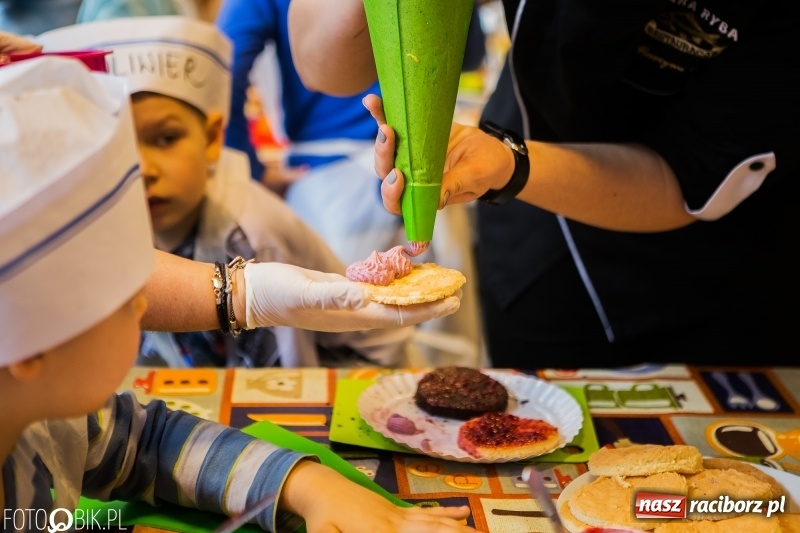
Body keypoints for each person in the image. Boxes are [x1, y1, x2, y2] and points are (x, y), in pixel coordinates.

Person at [0, 55, 478, 533]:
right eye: (126, 296)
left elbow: (149, 443)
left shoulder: (52, 420)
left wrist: (310, 486)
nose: (146, 304)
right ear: (33, 343)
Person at [287, 0, 799, 365]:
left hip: (720, 271)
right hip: (538, 239)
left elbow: (688, 173)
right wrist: (504, 165)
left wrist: (514, 165)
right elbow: (323, 65)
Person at [39, 16, 415, 368]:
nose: (144, 170)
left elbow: (284, 375)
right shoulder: (112, 222)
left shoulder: (252, 236)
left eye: (166, 139)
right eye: (115, 147)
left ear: (212, 138)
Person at [218, 0, 487, 367]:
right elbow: (467, 53)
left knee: (352, 349)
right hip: (436, 162)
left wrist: (246, 174)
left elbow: (226, 63)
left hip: (331, 191)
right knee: (446, 349)